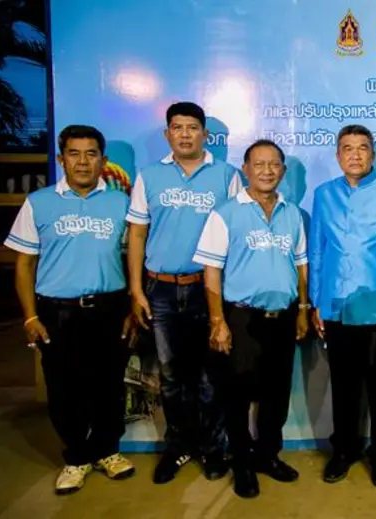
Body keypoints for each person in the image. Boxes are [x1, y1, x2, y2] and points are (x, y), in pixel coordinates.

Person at [5, 125, 135, 494]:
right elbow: (24, 265)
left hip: (110, 308)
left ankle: (107, 451)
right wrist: (30, 316)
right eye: (74, 154)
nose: (82, 162)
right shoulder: (39, 202)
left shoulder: (121, 204)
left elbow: (133, 259)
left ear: (103, 161)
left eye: (91, 154)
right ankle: (77, 457)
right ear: (62, 159)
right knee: (64, 388)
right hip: (57, 312)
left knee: (109, 385)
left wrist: (131, 306)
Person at [126, 102, 243, 484]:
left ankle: (212, 449)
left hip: (207, 290)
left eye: (193, 127)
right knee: (172, 377)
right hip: (160, 290)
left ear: (205, 135)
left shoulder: (227, 175)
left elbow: (236, 232)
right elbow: (137, 234)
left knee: (211, 378)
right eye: (178, 127)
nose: (185, 134)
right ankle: (178, 447)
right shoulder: (149, 176)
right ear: (168, 134)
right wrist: (136, 290)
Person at [193, 139, 309, 499]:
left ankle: (267, 456)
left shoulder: (292, 213)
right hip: (241, 318)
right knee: (238, 396)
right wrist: (218, 321)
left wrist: (303, 309)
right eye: (259, 164)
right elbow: (211, 271)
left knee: (276, 394)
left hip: (284, 317)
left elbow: (301, 264)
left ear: (283, 171)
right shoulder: (225, 213)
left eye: (274, 165)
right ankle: (242, 463)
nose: (267, 171)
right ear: (245, 169)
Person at [309, 124, 376, 487]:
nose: (354, 155)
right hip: (336, 307)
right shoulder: (324, 194)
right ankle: (344, 450)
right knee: (343, 387)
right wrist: (316, 303)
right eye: (347, 148)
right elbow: (317, 251)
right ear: (337, 155)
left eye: (362, 148)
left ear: (372, 154)